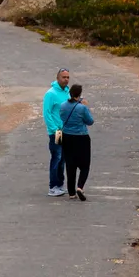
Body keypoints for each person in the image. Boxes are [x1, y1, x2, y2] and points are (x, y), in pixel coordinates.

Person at [59, 84, 95, 201]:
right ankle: (80, 187)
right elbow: (90, 121)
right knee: (85, 165)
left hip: (67, 136)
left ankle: (71, 192)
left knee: (70, 164)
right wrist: (85, 106)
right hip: (81, 137)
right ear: (79, 94)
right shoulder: (81, 107)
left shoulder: (63, 106)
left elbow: (62, 117)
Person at [44, 68, 71, 196]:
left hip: (67, 131)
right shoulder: (51, 94)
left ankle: (60, 184)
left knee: (63, 159)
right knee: (57, 157)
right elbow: (47, 113)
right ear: (58, 78)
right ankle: (53, 186)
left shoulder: (67, 92)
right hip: (57, 132)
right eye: (63, 77)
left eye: (67, 77)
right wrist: (54, 130)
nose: (66, 79)